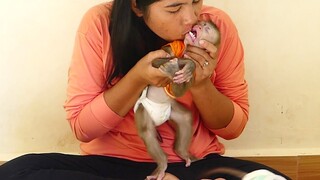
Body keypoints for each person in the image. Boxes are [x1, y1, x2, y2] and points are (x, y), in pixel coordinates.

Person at [0, 0, 290, 180]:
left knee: (270, 178)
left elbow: (232, 128)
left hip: (192, 166)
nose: (190, 18)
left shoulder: (216, 26)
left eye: (196, 0)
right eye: (174, 7)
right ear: (137, 6)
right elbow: (82, 128)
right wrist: (137, 78)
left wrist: (201, 84)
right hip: (110, 166)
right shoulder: (100, 24)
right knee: (17, 172)